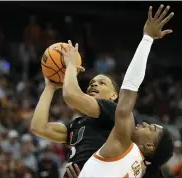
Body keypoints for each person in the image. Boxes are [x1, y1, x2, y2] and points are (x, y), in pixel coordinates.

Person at [78, 5, 174, 178]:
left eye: (150, 128)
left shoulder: (124, 145)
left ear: (149, 146)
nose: (144, 123)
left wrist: (147, 39)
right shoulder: (140, 170)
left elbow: (129, 88)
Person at [30, 34, 119, 178]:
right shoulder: (77, 124)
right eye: (91, 83)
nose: (94, 84)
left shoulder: (114, 112)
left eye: (102, 83)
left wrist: (71, 64)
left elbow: (70, 95)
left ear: (114, 96)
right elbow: (38, 127)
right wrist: (50, 88)